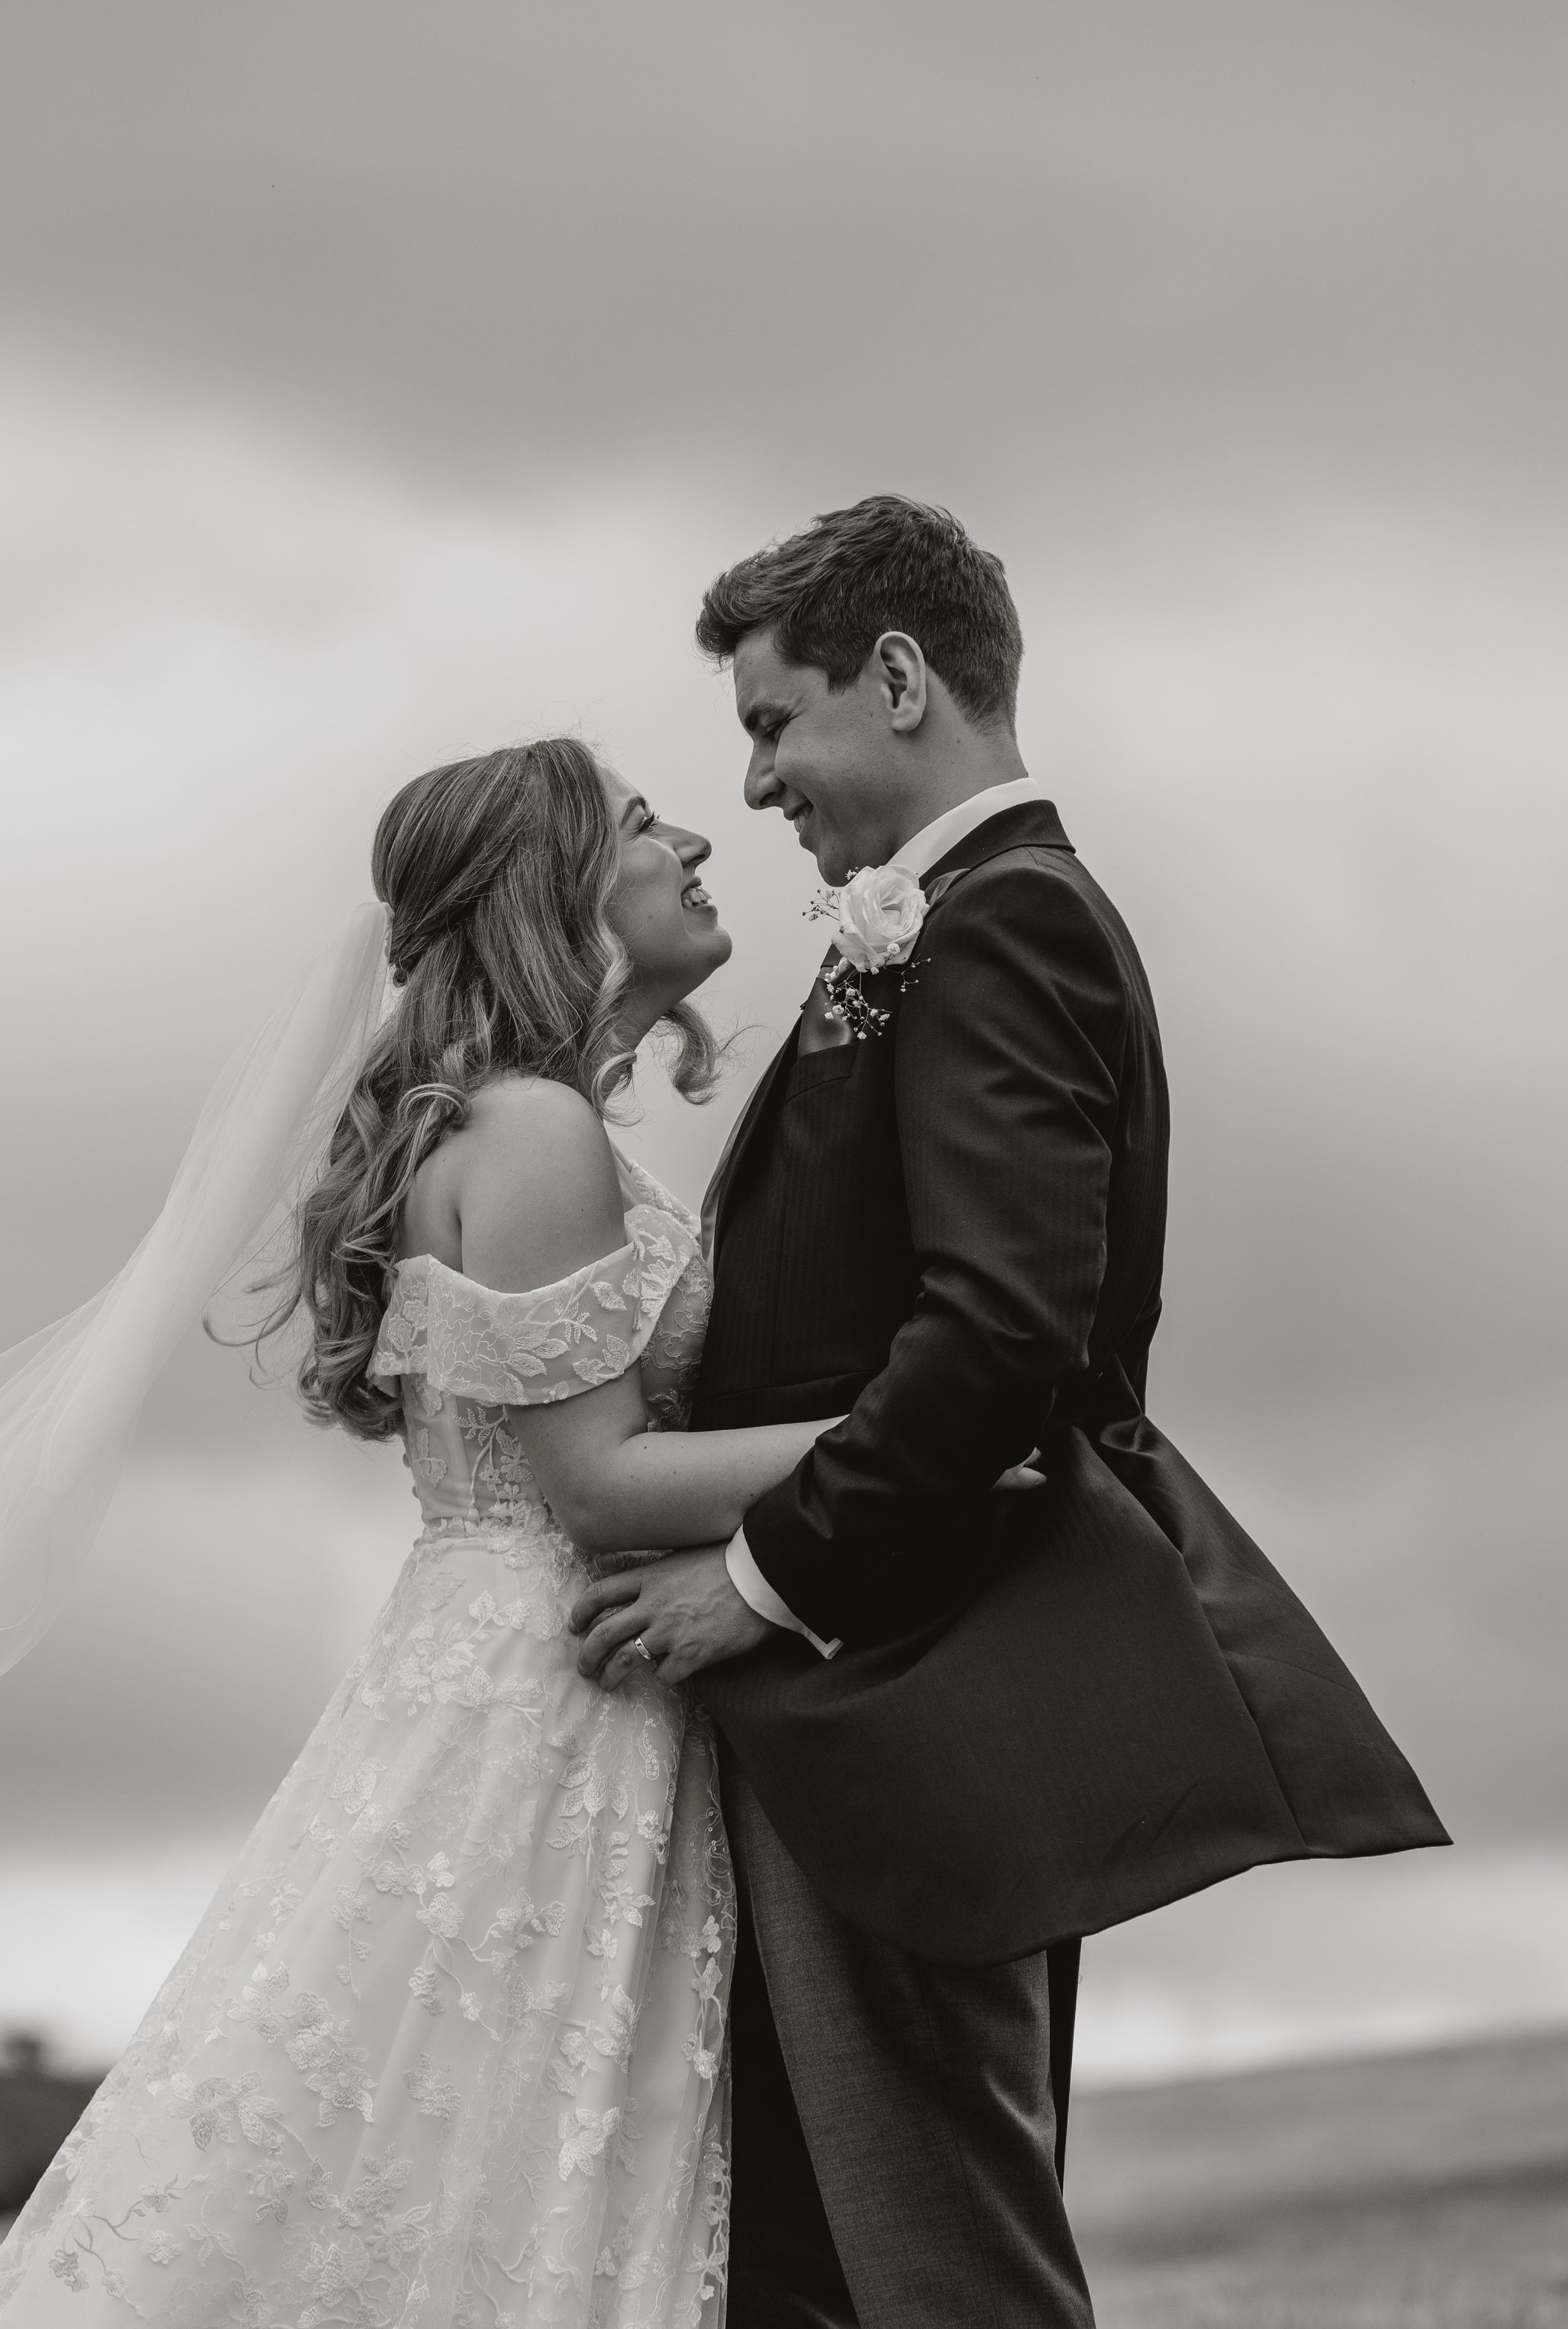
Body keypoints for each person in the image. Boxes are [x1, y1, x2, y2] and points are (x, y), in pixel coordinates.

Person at [572, 495, 1446, 2329]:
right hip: (870, 1690)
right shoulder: (947, 921)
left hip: (905, 1677)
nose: (749, 788)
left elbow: (997, 1339)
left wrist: (761, 1577)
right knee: (809, 2270)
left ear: (896, 678)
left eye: (767, 720)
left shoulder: (1000, 923)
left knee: (938, 2267)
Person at [0, 736, 846, 2325]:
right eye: (643, 823)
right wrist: (904, 1443)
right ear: (555, 888)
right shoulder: (532, 1130)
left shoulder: (508, 1124)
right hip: (554, 1692)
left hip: (484, 1670)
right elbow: (596, 1486)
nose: (696, 838)